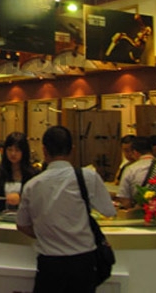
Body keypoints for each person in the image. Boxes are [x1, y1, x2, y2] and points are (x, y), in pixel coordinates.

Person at [16, 125, 116, 293]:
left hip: (50, 264)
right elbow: (109, 211)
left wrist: (46, 233)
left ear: (44, 150)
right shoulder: (88, 177)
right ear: (72, 149)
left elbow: (22, 224)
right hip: (83, 262)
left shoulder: (32, 185)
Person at [0, 132, 37, 212]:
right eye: (9, 149)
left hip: (24, 217)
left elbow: (38, 202)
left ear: (24, 152)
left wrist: (21, 200)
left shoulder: (33, 174)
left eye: (17, 150)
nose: (13, 153)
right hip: (0, 217)